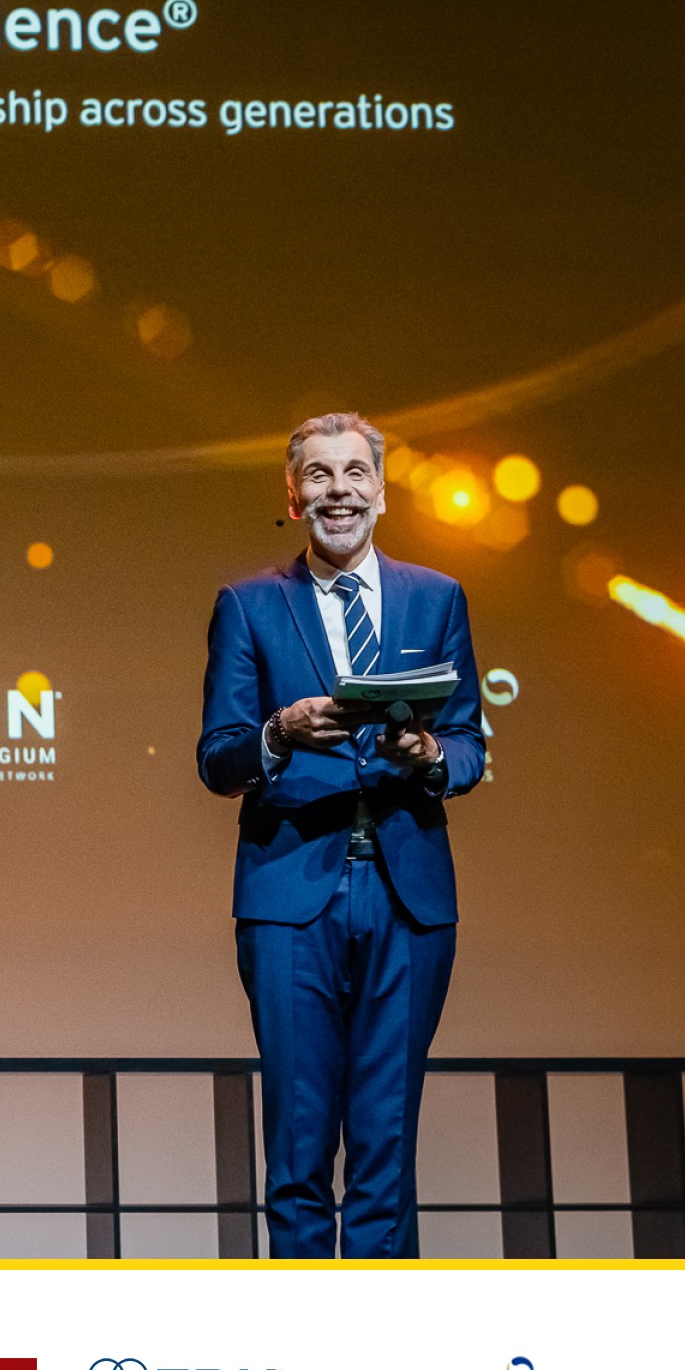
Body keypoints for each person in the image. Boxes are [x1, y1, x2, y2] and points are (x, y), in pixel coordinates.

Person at [196, 413, 487, 1258]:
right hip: (290, 895)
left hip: (407, 897)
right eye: (318, 476)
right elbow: (218, 759)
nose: (338, 491)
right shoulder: (249, 605)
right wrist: (279, 731)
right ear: (293, 497)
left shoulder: (437, 597)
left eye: (353, 473)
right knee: (297, 1138)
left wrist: (429, 755)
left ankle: (374, 1330)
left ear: (380, 493)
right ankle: (304, 1324)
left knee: (385, 1138)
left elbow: (467, 744)